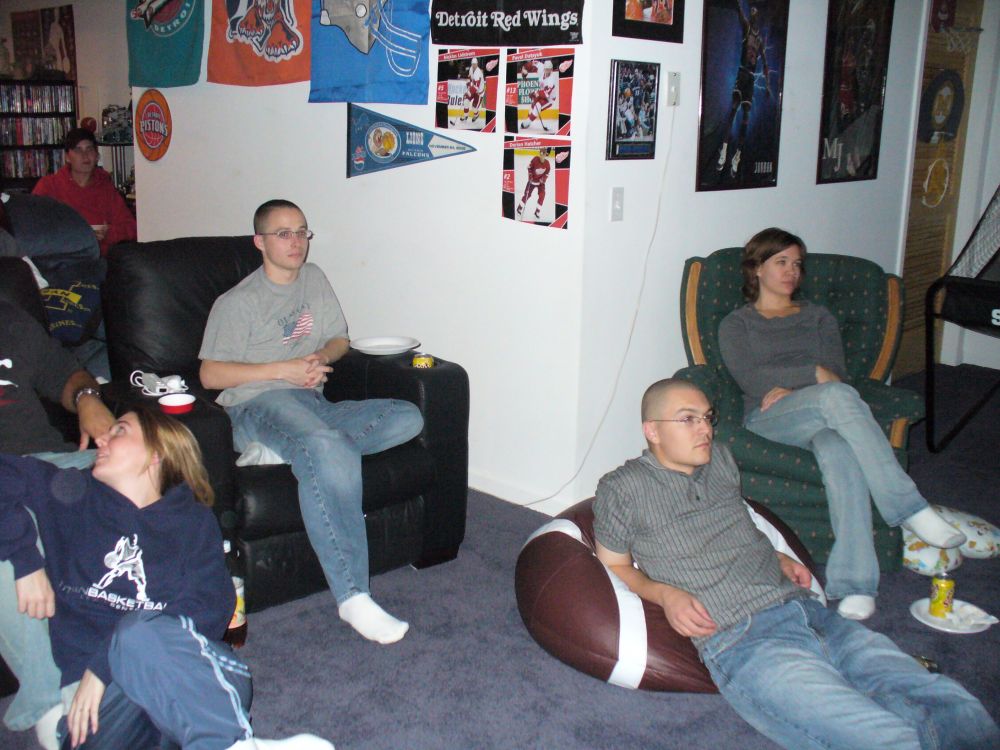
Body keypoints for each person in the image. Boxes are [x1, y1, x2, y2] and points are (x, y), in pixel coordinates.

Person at [594, 378, 999, 750]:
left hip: (810, 612)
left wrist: (776, 556)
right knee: (876, 735)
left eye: (707, 417)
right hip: (743, 641)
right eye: (688, 419)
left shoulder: (720, 460)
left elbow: (737, 522)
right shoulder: (623, 488)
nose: (706, 429)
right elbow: (613, 564)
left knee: (947, 701)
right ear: (652, 431)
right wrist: (665, 594)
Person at [0, 407, 334, 749]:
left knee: (137, 633)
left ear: (156, 452)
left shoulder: (190, 521)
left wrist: (105, 663)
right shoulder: (71, 493)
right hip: (97, 709)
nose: (101, 438)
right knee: (140, 644)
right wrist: (25, 560)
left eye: (119, 430)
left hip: (181, 675)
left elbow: (210, 605)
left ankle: (228, 741)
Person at [199, 199, 423, 645]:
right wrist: (284, 370)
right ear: (259, 242)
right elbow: (210, 375)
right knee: (327, 446)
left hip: (311, 401)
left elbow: (340, 339)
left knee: (407, 417)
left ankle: (285, 449)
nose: (296, 241)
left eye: (302, 231)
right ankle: (353, 596)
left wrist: (318, 358)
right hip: (257, 404)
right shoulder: (238, 302)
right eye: (283, 233)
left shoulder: (314, 278)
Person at [717, 228, 965, 621]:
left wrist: (800, 384)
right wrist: (811, 374)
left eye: (797, 263)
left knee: (838, 448)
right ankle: (909, 508)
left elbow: (837, 377)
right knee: (834, 398)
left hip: (820, 413)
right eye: (781, 262)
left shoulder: (818, 317)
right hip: (768, 419)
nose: (792, 271)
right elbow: (751, 380)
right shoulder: (737, 324)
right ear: (757, 268)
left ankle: (855, 584)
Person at [0, 299, 116, 749]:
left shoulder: (9, 319)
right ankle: (53, 712)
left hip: (47, 464)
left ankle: (184, 683)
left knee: (155, 477)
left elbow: (66, 374)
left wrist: (88, 399)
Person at [32, 128, 137, 257]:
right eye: (78, 150)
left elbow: (130, 227)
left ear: (97, 156)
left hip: (97, 258)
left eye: (89, 149)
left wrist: (108, 234)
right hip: (60, 257)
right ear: (67, 157)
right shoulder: (49, 186)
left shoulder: (105, 187)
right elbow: (33, 225)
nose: (85, 155)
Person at [715, 0, 771, 179]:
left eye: (754, 11)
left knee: (746, 116)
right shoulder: (746, 28)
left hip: (751, 80)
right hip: (742, 74)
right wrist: (738, 4)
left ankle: (737, 155)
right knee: (733, 110)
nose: (752, 13)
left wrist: (768, 85)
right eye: (751, 10)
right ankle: (724, 150)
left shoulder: (760, 41)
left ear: (758, 16)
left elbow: (765, 64)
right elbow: (740, 13)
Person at [519, 59, 557, 132]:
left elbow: (546, 94)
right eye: (546, 69)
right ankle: (528, 120)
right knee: (533, 103)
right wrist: (524, 68)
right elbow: (533, 62)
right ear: (544, 68)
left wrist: (535, 93)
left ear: (551, 69)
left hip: (549, 99)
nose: (547, 71)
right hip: (541, 94)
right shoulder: (541, 67)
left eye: (549, 69)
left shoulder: (551, 80)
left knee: (538, 105)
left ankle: (527, 122)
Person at [515, 148, 551, 222]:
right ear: (539, 153)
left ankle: (537, 211)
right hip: (532, 181)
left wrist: (543, 179)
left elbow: (547, 173)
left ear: (546, 155)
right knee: (527, 195)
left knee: (542, 195)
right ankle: (519, 208)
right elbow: (529, 167)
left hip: (540, 183)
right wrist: (530, 175)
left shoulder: (547, 164)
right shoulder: (535, 159)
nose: (541, 156)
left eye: (543, 154)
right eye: (540, 154)